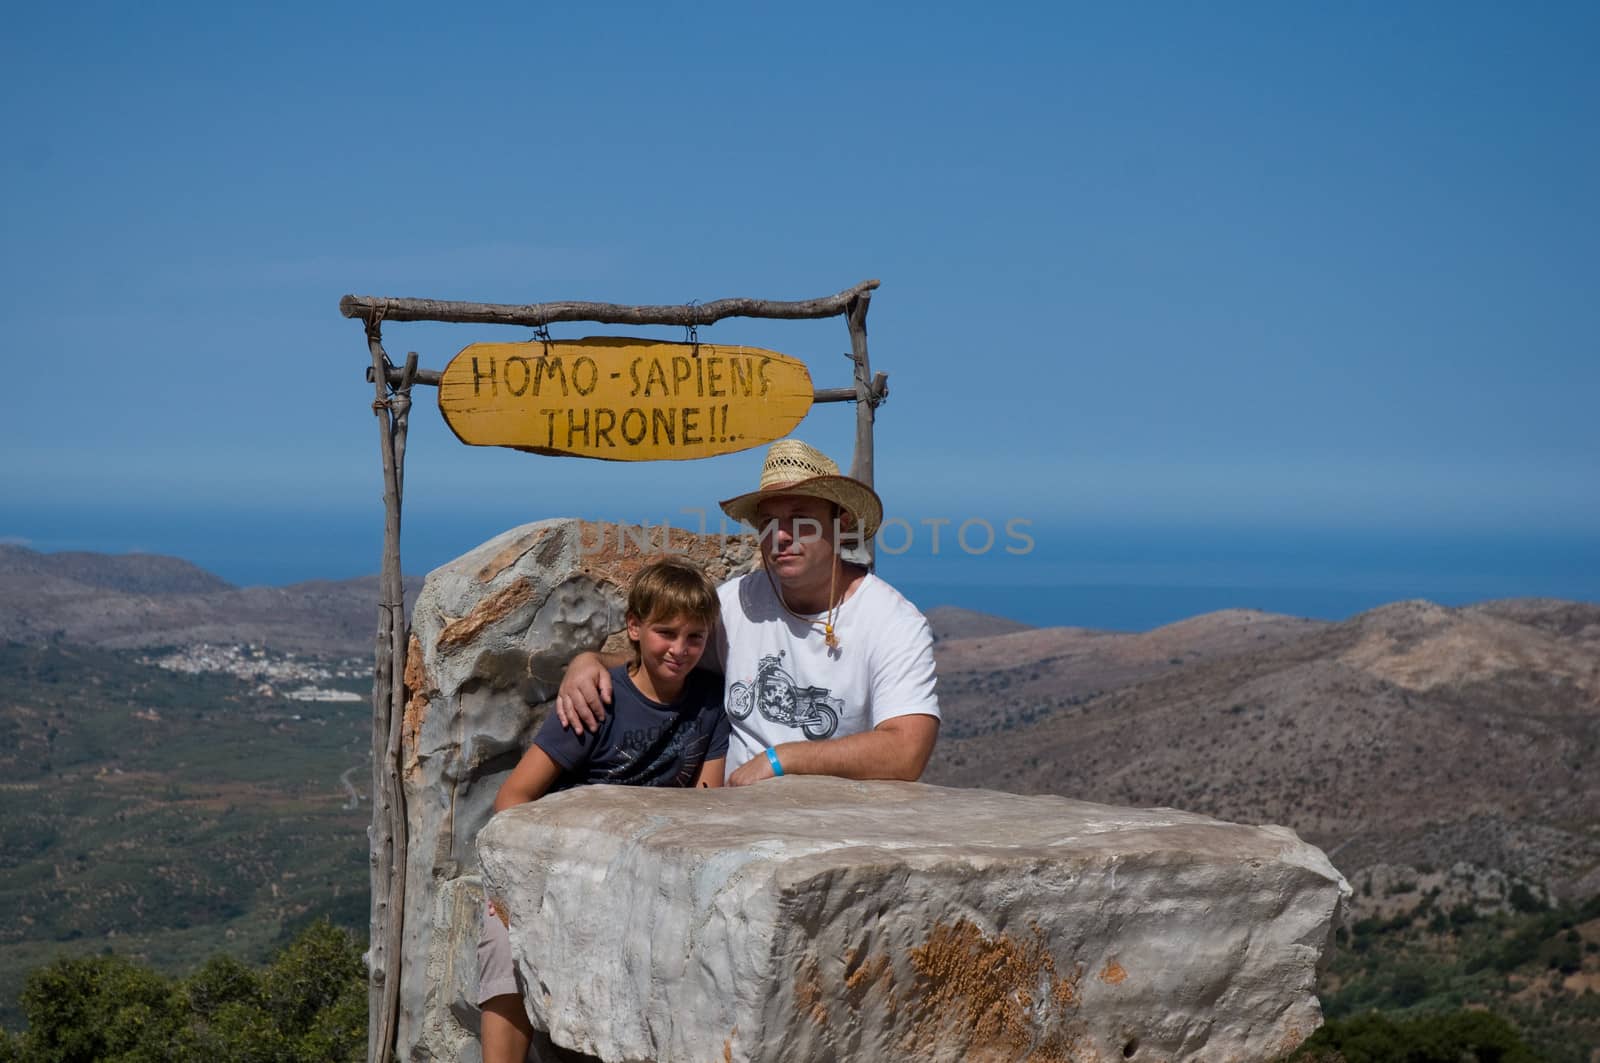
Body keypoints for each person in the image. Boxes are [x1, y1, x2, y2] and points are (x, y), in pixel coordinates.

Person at [556, 438, 939, 786]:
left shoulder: (893, 623)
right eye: (769, 522)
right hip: (730, 823)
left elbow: (907, 752)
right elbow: (673, 659)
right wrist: (593, 661)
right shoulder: (736, 602)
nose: (782, 536)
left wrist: (781, 759)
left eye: (800, 520)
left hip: (832, 828)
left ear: (840, 524)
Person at [478, 558, 729, 1063]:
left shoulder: (709, 703)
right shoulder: (599, 700)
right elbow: (514, 796)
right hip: (566, 858)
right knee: (505, 944)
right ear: (634, 628)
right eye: (665, 633)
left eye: (694, 638)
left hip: (649, 866)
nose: (680, 650)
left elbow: (707, 803)